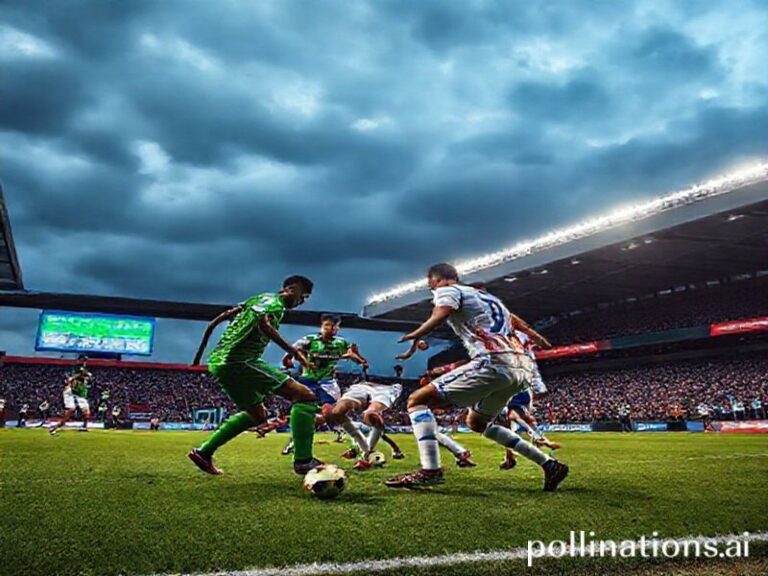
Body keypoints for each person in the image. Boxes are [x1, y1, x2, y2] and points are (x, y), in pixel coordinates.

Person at [386, 263, 568, 491]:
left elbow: (442, 312)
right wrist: (538, 339)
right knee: (476, 422)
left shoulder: (447, 290)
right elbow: (517, 322)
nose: (429, 286)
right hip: (521, 368)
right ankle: (550, 464)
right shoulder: (487, 297)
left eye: (429, 281)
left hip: (493, 361)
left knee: (416, 400)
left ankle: (430, 471)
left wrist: (417, 333)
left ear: (438, 278)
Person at [188, 275, 322, 476]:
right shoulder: (276, 305)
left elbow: (225, 315)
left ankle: (203, 453)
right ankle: (303, 460)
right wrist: (296, 353)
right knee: (305, 396)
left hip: (218, 362)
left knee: (257, 415)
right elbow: (263, 324)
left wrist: (200, 352)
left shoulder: (259, 298)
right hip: (240, 361)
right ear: (291, 289)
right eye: (303, 297)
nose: (301, 302)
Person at [279, 314, 369, 456]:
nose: (330, 328)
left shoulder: (341, 343)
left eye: (334, 326)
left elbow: (350, 354)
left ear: (338, 328)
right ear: (322, 326)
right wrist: (287, 358)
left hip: (328, 383)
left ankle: (356, 439)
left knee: (329, 414)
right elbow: (293, 349)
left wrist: (360, 361)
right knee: (306, 415)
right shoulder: (310, 340)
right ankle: (295, 443)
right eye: (327, 325)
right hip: (308, 381)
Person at [49, 359, 92, 435]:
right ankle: (55, 427)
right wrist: (83, 365)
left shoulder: (81, 379)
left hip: (80, 396)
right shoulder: (76, 378)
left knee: (87, 413)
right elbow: (76, 379)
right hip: (72, 394)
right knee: (71, 410)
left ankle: (84, 427)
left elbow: (82, 374)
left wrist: (84, 364)